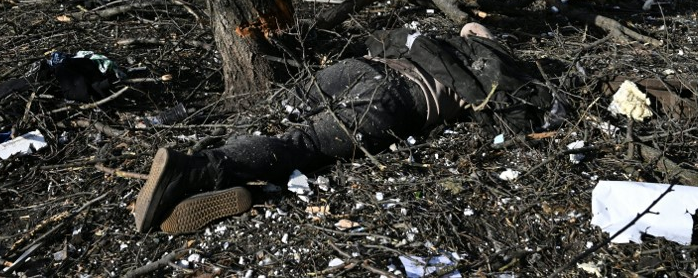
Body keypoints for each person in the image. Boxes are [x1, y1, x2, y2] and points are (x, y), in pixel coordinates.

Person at [132, 23, 563, 234]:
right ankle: (195, 170)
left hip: (363, 67)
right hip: (399, 100)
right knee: (302, 143)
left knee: (279, 107)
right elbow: (520, 119)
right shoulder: (498, 70)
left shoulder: (442, 43)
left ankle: (207, 166)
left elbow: (465, 29)